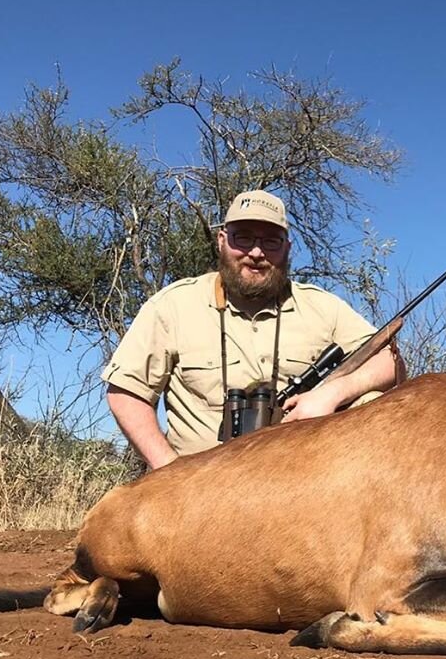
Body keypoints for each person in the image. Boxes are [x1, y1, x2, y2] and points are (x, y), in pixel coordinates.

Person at [102, 189, 399, 469]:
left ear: (287, 248)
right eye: (243, 238)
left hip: (302, 483)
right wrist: (168, 471)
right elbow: (126, 391)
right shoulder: (172, 305)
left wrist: (333, 394)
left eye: (271, 241)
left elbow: (390, 360)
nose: (256, 252)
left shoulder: (323, 307)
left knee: (370, 400)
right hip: (199, 485)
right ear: (221, 240)